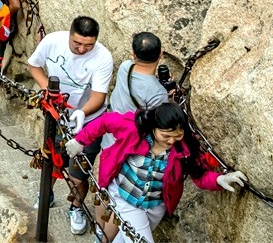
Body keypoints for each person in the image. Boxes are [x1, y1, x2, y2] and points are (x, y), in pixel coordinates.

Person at [65, 103, 246, 243]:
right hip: (126, 197)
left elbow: (198, 176)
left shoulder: (185, 149)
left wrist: (219, 179)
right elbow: (105, 122)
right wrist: (81, 141)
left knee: (125, 239)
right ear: (154, 127)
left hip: (155, 205)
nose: (171, 141)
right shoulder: (133, 129)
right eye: (166, 135)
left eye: (177, 136)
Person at [28, 16, 114, 235]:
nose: (83, 49)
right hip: (57, 115)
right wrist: (50, 90)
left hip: (89, 121)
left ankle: (75, 207)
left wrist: (81, 113)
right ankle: (46, 196)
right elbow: (34, 65)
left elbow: (99, 95)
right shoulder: (52, 41)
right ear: (70, 34)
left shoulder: (103, 57)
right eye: (77, 43)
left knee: (79, 171)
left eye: (89, 45)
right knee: (51, 160)